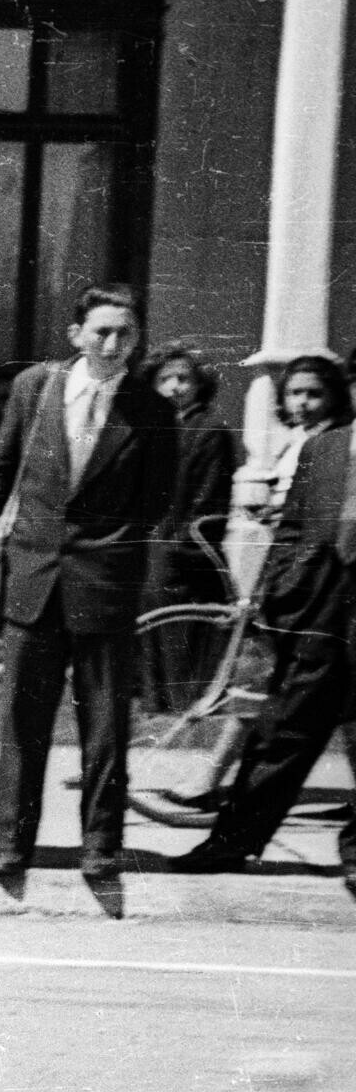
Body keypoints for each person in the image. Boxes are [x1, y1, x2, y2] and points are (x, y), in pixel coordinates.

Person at [0, 283, 175, 883]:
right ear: (76, 334)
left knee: (105, 727)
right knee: (22, 724)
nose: (113, 345)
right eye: (102, 331)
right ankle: (12, 842)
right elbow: (0, 469)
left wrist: (113, 556)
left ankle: (101, 845)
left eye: (126, 334)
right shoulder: (36, 388)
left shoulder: (152, 410)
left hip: (104, 588)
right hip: (33, 579)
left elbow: (157, 503)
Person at [171, 358, 355, 886]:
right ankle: (231, 843)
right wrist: (276, 599)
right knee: (282, 732)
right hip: (320, 620)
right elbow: (292, 532)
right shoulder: (324, 449)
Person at [139, 342, 242, 711]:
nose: (174, 387)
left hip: (186, 551)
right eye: (164, 379)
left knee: (181, 628)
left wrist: (178, 546)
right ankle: (157, 703)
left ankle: (186, 705)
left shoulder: (209, 428)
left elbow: (211, 496)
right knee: (152, 624)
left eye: (184, 378)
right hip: (151, 544)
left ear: (200, 385)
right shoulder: (152, 428)